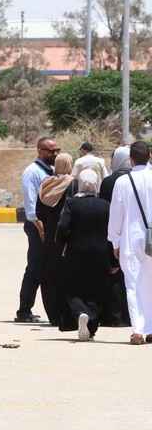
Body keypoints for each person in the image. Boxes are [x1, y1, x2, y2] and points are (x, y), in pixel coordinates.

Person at [56, 169, 111, 341]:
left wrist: (61, 243)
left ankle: (80, 313)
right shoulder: (105, 205)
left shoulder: (72, 203)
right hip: (101, 253)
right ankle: (91, 327)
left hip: (77, 252)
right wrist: (114, 259)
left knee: (75, 287)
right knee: (97, 288)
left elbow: (63, 227)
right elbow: (112, 231)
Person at [108, 141, 152, 345]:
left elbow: (116, 215)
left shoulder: (122, 182)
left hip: (130, 239)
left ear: (130, 159)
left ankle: (137, 330)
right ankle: (150, 329)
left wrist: (115, 241)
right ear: (149, 156)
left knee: (133, 284)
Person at [15, 136, 58, 323]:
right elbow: (30, 200)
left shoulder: (52, 170)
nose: (55, 154)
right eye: (51, 151)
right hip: (38, 226)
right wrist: (39, 225)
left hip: (49, 225)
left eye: (57, 150)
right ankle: (24, 310)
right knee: (35, 268)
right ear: (40, 150)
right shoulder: (32, 172)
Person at [35, 152, 76, 325]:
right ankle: (67, 314)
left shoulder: (46, 184)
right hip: (68, 236)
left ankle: (53, 314)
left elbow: (39, 212)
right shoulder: (73, 183)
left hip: (50, 236)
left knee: (50, 274)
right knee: (68, 274)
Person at [99, 145, 131, 327]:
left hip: (114, 233)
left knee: (114, 274)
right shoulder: (138, 178)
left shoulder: (109, 181)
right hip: (136, 233)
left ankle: (114, 316)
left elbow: (106, 210)